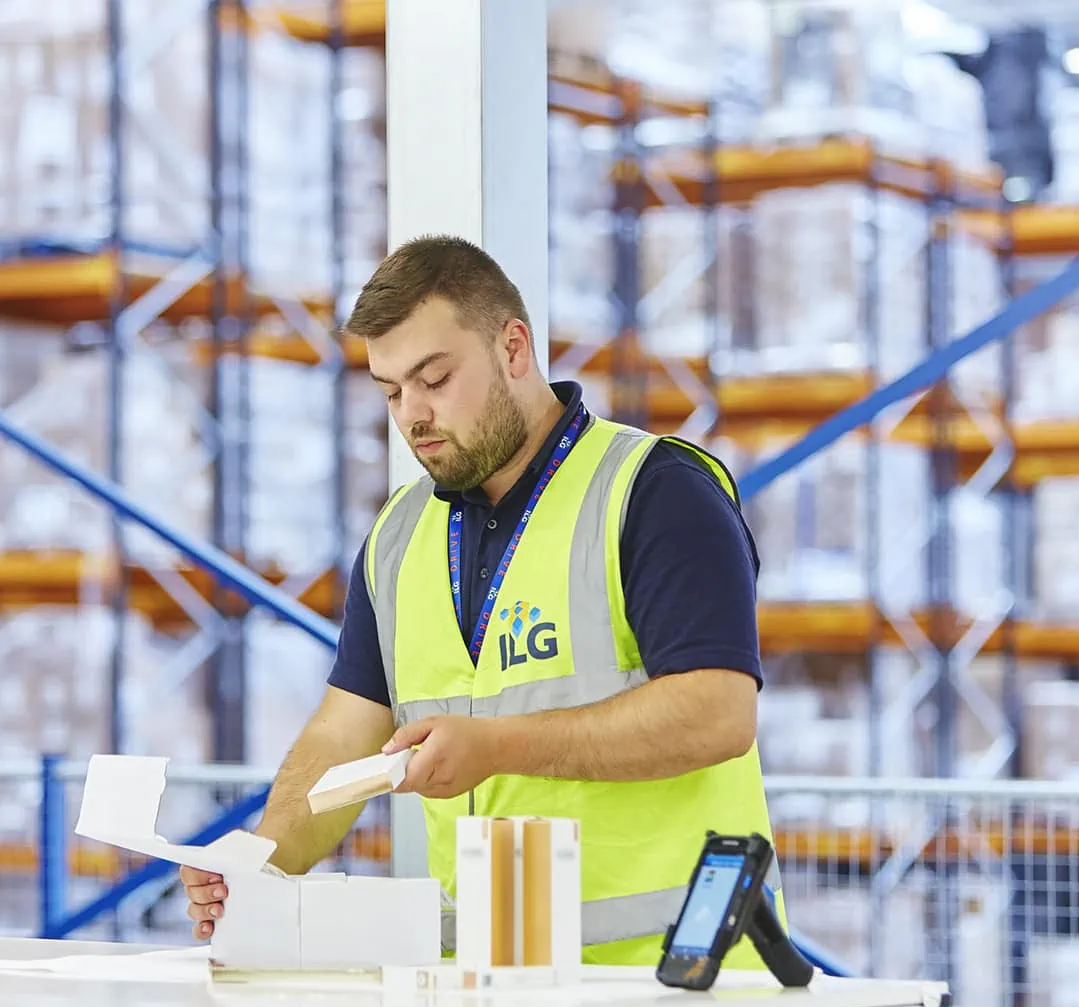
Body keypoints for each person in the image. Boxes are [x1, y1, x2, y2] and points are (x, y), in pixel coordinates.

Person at [182, 234, 779, 967]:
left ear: (514, 349)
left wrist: (498, 748)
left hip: (677, 985)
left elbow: (718, 712)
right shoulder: (400, 536)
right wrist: (262, 863)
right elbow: (342, 737)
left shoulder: (654, 492)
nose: (413, 416)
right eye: (392, 391)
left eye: (434, 378)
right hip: (496, 988)